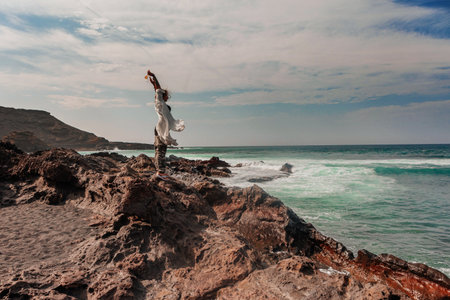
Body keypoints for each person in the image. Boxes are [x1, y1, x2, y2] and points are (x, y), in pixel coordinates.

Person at [147, 69, 185, 176]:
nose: (168, 97)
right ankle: (160, 172)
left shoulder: (161, 102)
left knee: (160, 150)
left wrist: (154, 83)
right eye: (167, 95)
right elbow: (158, 90)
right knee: (160, 150)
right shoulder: (160, 102)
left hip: (161, 127)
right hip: (160, 128)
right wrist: (154, 76)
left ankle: (159, 171)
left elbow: (157, 89)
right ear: (163, 96)